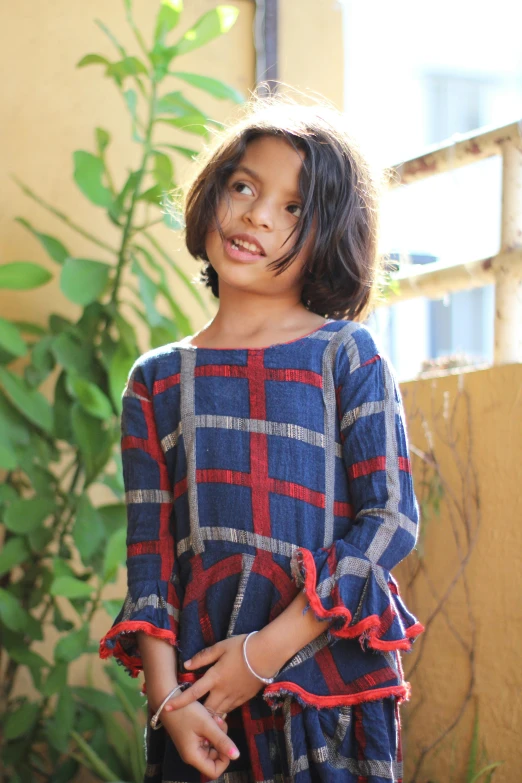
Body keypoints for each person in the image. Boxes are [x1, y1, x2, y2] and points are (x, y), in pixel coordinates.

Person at [99, 95, 424, 783]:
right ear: (213, 191)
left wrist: (263, 653)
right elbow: (150, 563)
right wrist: (169, 702)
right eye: (244, 186)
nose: (256, 215)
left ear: (332, 232)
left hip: (324, 684)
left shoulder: (347, 355)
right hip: (203, 699)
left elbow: (391, 519)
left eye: (293, 208)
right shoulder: (154, 381)